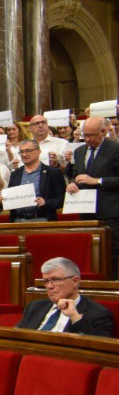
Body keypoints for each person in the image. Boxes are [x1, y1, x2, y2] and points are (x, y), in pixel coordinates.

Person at [67, 116, 119, 278]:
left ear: (103, 131)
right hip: (85, 211)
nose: (88, 139)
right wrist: (72, 184)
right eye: (85, 135)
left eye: (92, 135)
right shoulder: (79, 150)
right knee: (91, 254)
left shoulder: (115, 149)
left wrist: (97, 181)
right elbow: (76, 175)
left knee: (113, 254)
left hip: (110, 212)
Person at [15, 257, 114, 337]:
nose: (49, 286)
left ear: (74, 282)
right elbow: (16, 336)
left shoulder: (98, 313)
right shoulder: (35, 306)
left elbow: (100, 349)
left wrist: (75, 317)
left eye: (56, 280)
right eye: (46, 281)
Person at [0, 140, 66, 222]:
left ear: (38, 152)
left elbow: (61, 199)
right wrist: (3, 200)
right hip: (18, 220)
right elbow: (11, 198)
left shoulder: (53, 173)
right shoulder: (15, 174)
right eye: (21, 152)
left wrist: (46, 202)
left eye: (28, 151)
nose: (24, 154)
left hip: (43, 220)